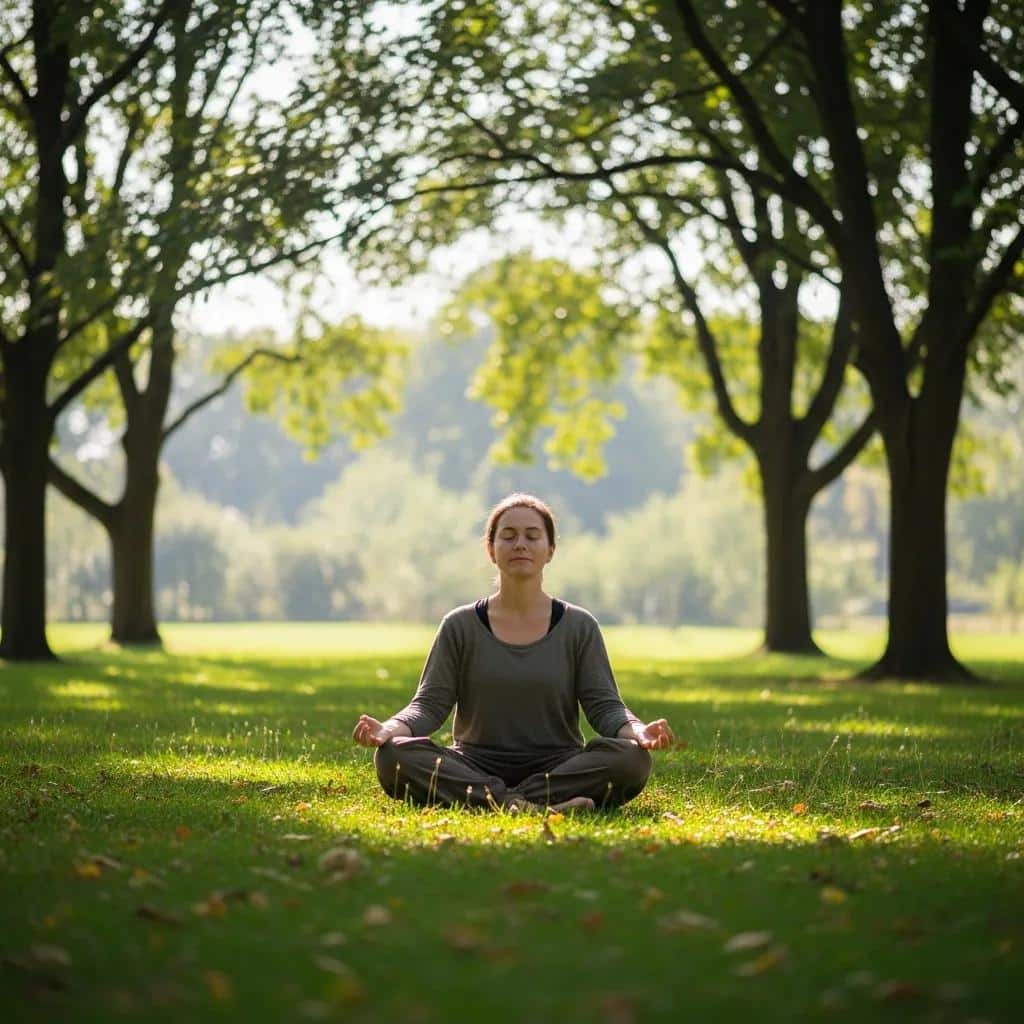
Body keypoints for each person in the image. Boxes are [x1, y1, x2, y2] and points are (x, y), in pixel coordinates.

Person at [352, 493, 674, 811]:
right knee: (392, 755)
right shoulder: (459, 625)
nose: (520, 544)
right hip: (474, 765)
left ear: (550, 550)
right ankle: (523, 802)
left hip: (558, 766)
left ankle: (501, 800)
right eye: (508, 536)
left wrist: (639, 731)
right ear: (491, 550)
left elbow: (604, 706)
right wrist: (388, 729)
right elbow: (428, 705)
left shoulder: (579, 626)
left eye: (532, 536)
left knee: (632, 758)